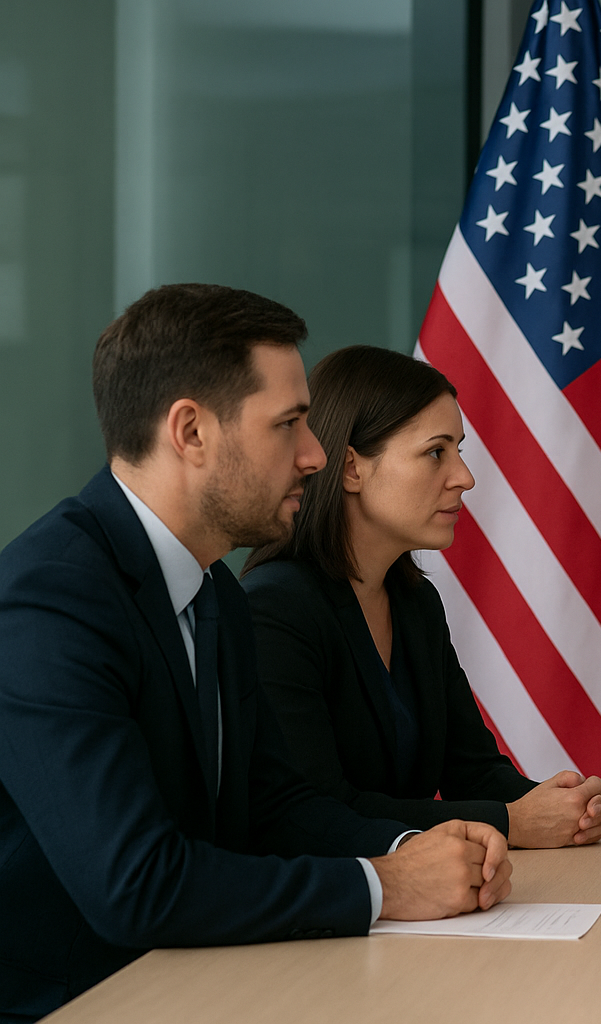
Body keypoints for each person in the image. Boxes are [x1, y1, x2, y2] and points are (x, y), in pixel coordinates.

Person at [0, 285, 512, 1022]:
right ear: (190, 431)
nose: (314, 456)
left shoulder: (216, 596)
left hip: (202, 986)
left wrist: (427, 848)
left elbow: (275, 809)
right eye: (290, 424)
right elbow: (137, 885)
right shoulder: (51, 600)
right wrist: (388, 886)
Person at [241, 345, 601, 846]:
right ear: (351, 468)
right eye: (436, 451)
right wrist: (510, 822)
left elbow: (474, 773)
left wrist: (559, 805)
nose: (464, 477)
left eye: (459, 450)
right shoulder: (275, 607)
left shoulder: (416, 603)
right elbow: (318, 810)